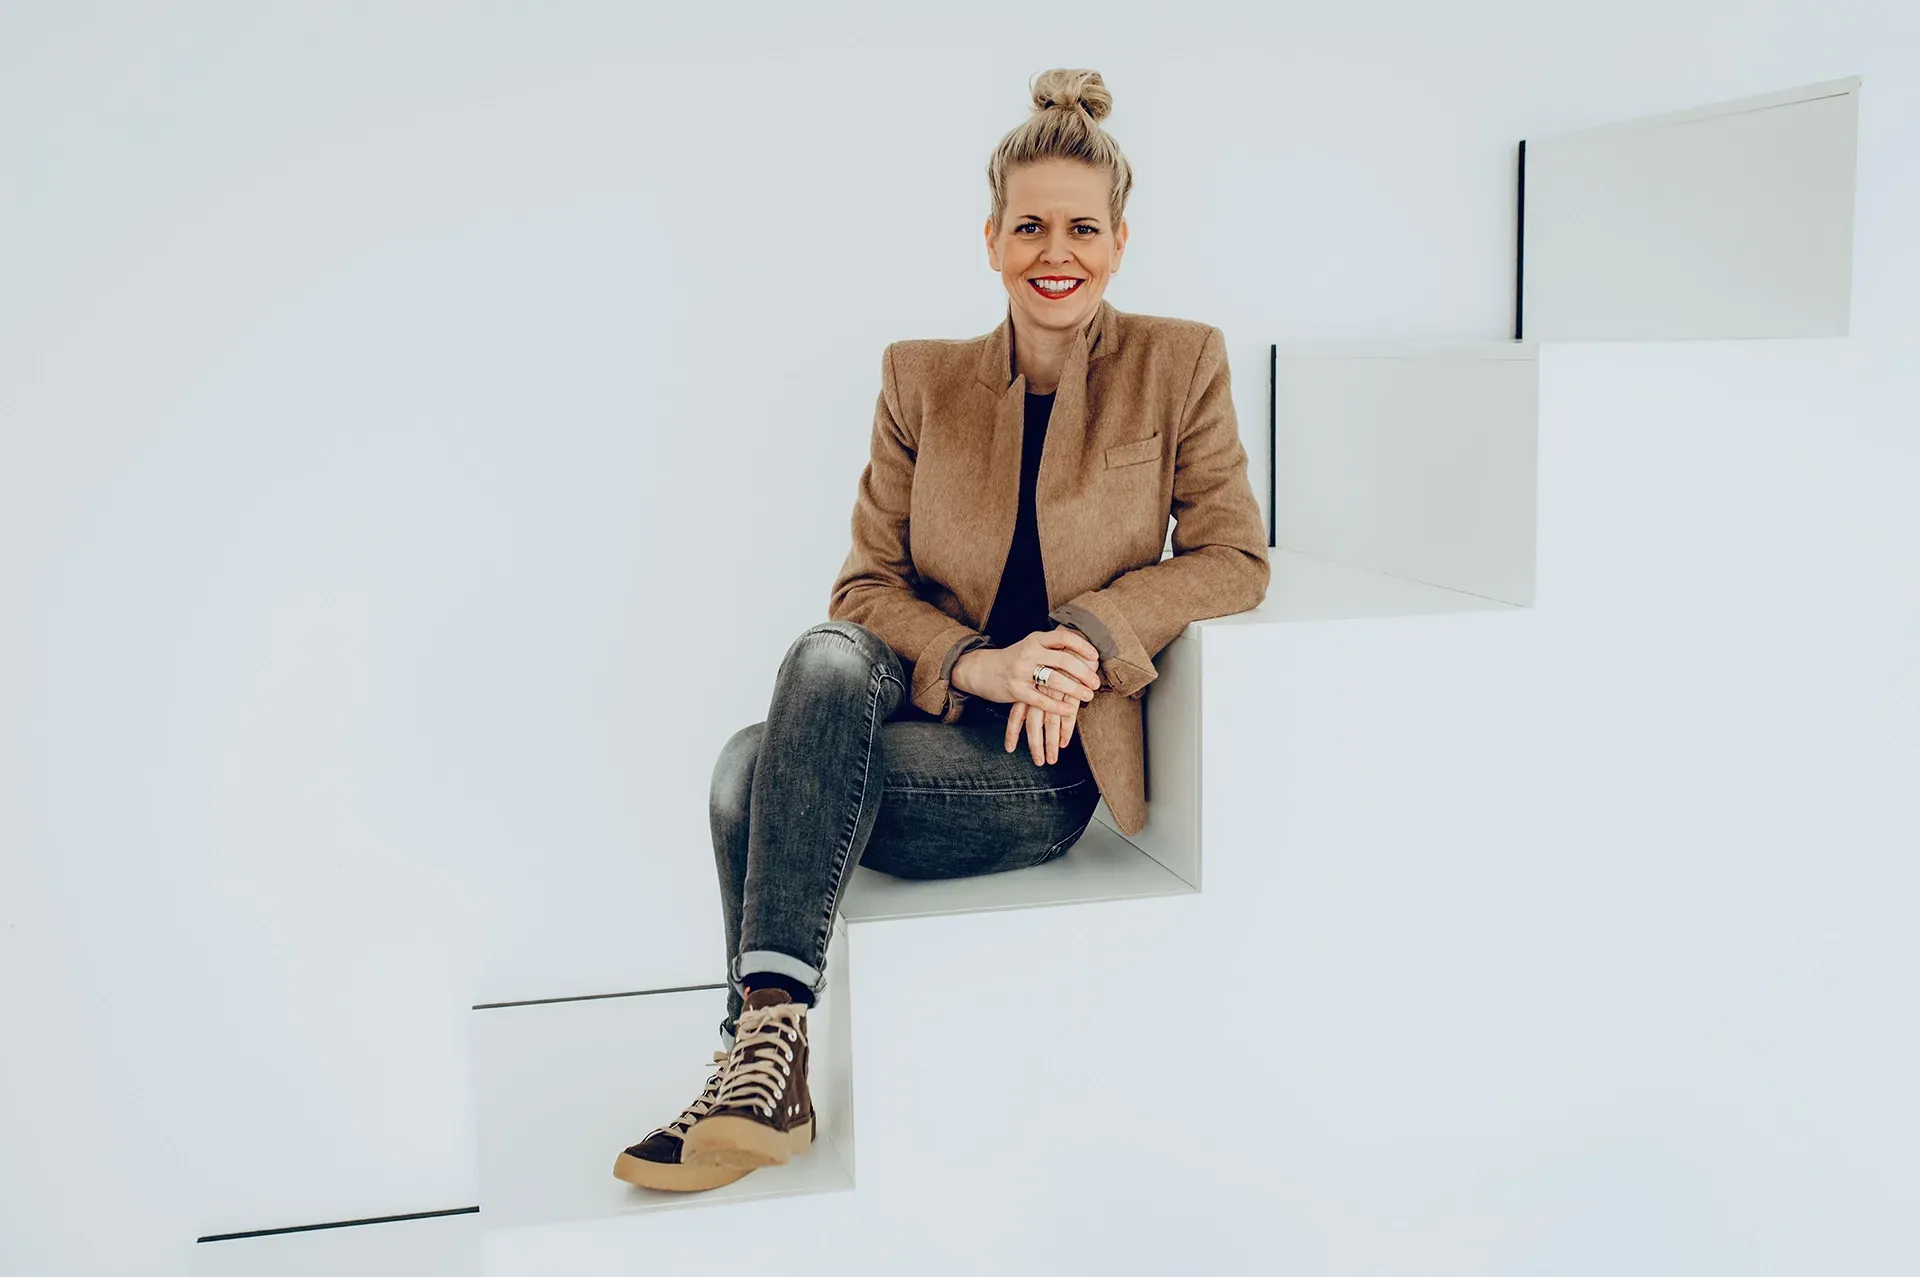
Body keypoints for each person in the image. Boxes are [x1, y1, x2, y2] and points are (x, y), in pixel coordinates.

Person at [614, 67, 1269, 1194]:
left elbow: (1233, 556)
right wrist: (983, 660)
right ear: (990, 238)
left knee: (744, 773)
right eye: (1028, 226)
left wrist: (1083, 632)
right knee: (820, 659)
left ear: (1119, 240)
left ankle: (757, 1056)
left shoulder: (1180, 361)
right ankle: (771, 1050)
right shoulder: (921, 381)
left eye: (1079, 227)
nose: (1052, 251)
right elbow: (863, 588)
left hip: (1041, 768)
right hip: (929, 711)